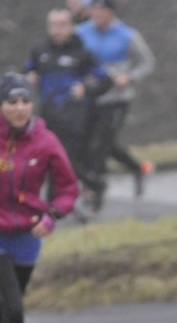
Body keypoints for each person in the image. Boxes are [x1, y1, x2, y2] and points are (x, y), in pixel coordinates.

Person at [0, 73, 79, 323]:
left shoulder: (45, 141)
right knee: (14, 314)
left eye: (24, 101)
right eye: (11, 102)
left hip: (27, 239)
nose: (18, 108)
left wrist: (53, 216)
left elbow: (67, 189)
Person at [24, 8, 111, 218]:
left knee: (64, 158)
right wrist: (30, 76)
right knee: (50, 159)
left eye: (62, 25)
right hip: (49, 115)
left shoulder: (82, 52)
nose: (57, 30)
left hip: (75, 116)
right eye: (53, 25)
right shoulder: (40, 50)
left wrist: (86, 89)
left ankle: (55, 207)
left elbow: (105, 80)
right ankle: (92, 184)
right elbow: (27, 70)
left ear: (71, 27)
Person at [76, 0, 155, 209]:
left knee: (102, 143)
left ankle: (95, 191)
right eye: (95, 12)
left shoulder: (127, 35)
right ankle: (137, 168)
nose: (98, 17)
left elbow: (147, 62)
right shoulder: (81, 32)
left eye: (102, 13)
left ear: (111, 13)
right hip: (91, 98)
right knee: (95, 142)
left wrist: (129, 77)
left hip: (116, 99)